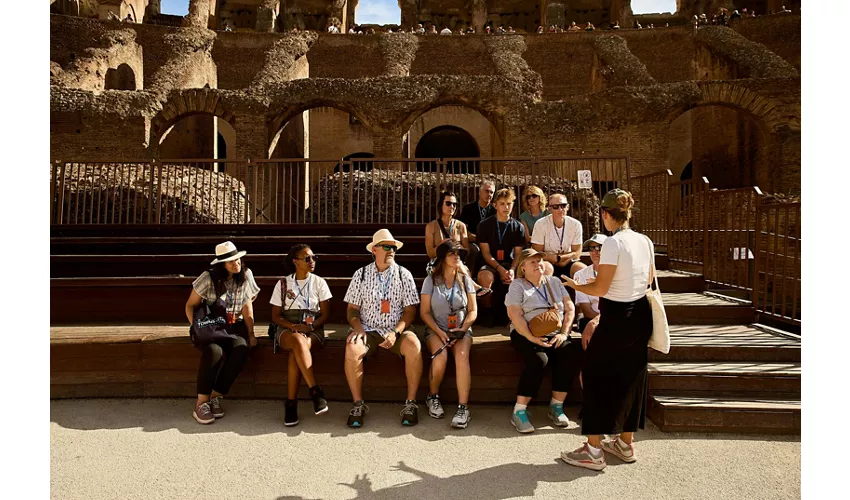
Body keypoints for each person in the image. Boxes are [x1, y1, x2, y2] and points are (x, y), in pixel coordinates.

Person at [560, 189, 654, 471]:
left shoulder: (613, 244)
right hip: (640, 313)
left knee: (595, 377)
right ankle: (625, 443)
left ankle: (593, 450)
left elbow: (600, 288)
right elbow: (649, 280)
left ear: (604, 214)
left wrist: (576, 286)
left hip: (616, 315)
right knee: (632, 376)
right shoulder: (645, 240)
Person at [343, 229, 422, 428]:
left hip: (396, 329)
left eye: (393, 247)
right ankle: (358, 405)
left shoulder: (404, 274)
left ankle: (411, 404)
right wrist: (358, 329)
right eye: (386, 246)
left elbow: (410, 311)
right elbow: (352, 310)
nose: (391, 251)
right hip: (367, 329)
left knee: (414, 345)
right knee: (352, 348)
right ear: (374, 250)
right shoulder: (360, 274)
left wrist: (396, 332)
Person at [184, 241, 260, 425]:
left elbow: (247, 304)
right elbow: (190, 305)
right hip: (211, 326)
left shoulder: (246, 274)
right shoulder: (208, 277)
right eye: (231, 261)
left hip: (234, 326)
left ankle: (215, 395)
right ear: (221, 264)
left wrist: (251, 333)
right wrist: (198, 328)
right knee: (214, 351)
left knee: (241, 348)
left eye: (238, 259)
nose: (237, 264)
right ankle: (201, 402)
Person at [506, 249, 577, 433]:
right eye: (533, 262)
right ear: (522, 268)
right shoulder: (517, 286)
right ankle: (519, 411)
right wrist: (532, 338)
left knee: (568, 353)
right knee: (539, 360)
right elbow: (515, 315)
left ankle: (556, 407)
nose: (538, 264)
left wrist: (564, 333)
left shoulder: (554, 282)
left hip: (555, 331)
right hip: (525, 332)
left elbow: (569, 309)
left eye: (539, 261)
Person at [270, 244, 332, 426]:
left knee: (295, 352)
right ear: (295, 261)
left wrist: (309, 327)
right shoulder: (283, 283)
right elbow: (275, 316)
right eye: (307, 258)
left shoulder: (319, 282)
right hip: (287, 328)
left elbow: (326, 314)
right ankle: (315, 391)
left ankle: (291, 404)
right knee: (297, 340)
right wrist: (293, 326)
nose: (312, 261)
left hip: (313, 328)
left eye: (313, 257)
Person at [420, 241, 478, 428]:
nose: (456, 257)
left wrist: (462, 329)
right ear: (443, 258)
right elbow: (425, 312)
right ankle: (433, 396)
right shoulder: (431, 280)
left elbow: (473, 310)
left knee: (462, 356)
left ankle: (463, 407)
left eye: (458, 254)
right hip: (436, 328)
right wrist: (440, 332)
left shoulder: (465, 279)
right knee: (440, 355)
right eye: (452, 253)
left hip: (461, 329)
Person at [476, 188, 526, 325]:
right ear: (495, 205)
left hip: (510, 264)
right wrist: (499, 269)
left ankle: (512, 315)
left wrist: (512, 270)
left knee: (517, 278)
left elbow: (518, 253)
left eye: (509, 203)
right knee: (485, 277)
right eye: (502, 203)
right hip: (491, 264)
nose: (506, 207)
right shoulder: (484, 225)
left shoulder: (518, 227)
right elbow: (485, 253)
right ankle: (487, 312)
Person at [425, 192, 488, 294]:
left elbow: (467, 251)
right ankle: (475, 287)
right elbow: (430, 253)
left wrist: (460, 248)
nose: (452, 207)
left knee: (459, 265)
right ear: (441, 205)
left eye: (454, 204)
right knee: (459, 267)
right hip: (438, 263)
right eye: (448, 203)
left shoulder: (461, 226)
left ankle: (468, 304)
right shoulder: (431, 226)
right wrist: (442, 246)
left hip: (457, 261)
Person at [531, 192, 586, 281]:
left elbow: (577, 253)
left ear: (567, 207)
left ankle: (585, 295)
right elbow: (537, 253)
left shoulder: (576, 224)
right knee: (546, 269)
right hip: (547, 262)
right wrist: (554, 258)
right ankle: (544, 294)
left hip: (568, 262)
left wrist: (560, 258)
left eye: (563, 206)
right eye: (556, 207)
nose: (560, 209)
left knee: (583, 270)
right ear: (549, 209)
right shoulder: (540, 224)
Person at [458, 180, 496, 268]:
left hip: (489, 243)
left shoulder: (495, 211)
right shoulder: (468, 209)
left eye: (491, 192)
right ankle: (469, 274)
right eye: (486, 191)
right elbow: (460, 226)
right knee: (474, 250)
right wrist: (468, 235)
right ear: (480, 192)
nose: (489, 194)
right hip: (472, 242)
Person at [573, 234, 606, 336]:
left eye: (599, 247)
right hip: (593, 319)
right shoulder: (580, 275)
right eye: (591, 248)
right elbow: (587, 311)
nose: (595, 252)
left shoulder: (619, 273)